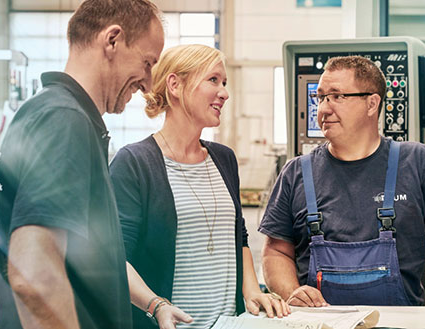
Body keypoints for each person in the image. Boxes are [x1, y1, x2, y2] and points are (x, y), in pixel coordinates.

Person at [259, 55, 425, 312]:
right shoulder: (296, 172)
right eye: (321, 97)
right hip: (319, 323)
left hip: (402, 323)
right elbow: (276, 253)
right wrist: (292, 292)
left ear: (372, 103)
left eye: (337, 96)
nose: (324, 109)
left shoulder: (416, 162)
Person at [0, 0, 164, 328]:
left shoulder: (38, 110)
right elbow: (34, 276)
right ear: (112, 40)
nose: (148, 84)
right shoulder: (66, 122)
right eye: (147, 63)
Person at [109, 44, 290, 329]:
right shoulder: (134, 163)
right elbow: (115, 258)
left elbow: (238, 234)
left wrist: (252, 289)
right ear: (175, 85)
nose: (224, 93)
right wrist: (156, 306)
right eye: (213, 80)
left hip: (229, 323)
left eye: (225, 83)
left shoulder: (223, 158)